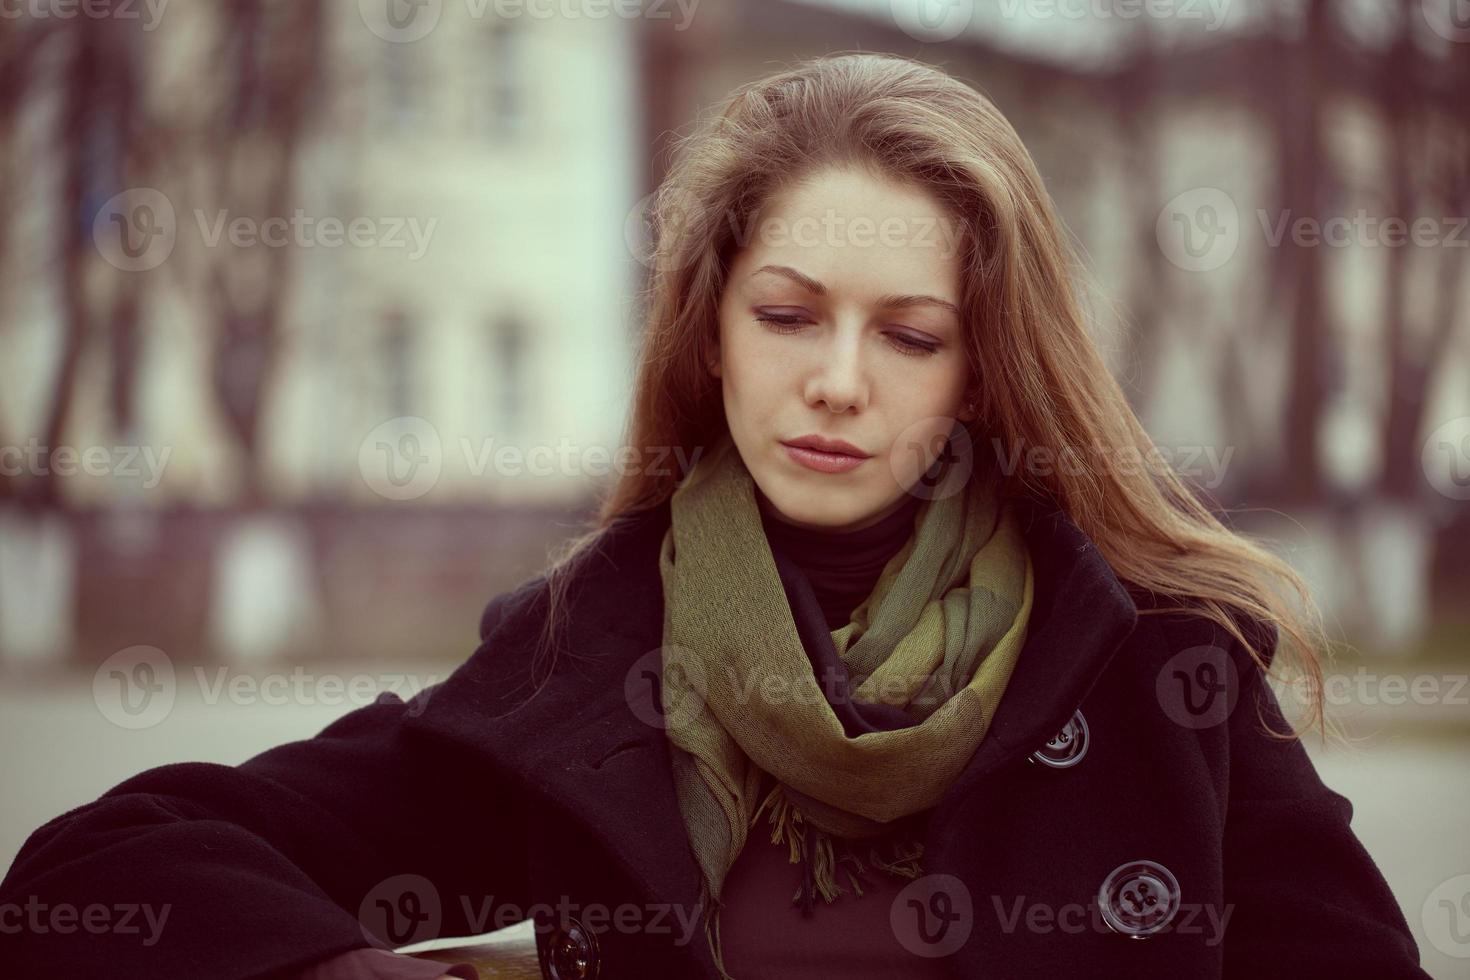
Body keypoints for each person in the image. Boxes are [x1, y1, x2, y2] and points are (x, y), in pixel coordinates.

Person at [0, 52, 1430, 980]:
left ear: (983, 370)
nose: (837, 382)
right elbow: (98, 874)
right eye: (788, 314)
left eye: (911, 335)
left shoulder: (1153, 660)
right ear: (711, 336)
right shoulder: (588, 656)